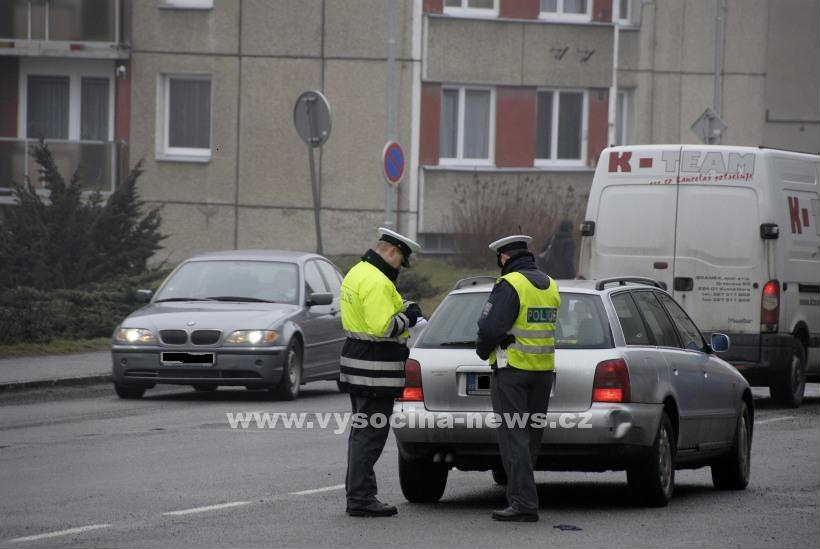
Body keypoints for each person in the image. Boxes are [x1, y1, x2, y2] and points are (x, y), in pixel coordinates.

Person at [476, 235, 561, 522]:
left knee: (514, 437)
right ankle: (522, 495)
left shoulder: (510, 284)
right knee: (530, 438)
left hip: (512, 371)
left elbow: (489, 327)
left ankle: (523, 502)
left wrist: (482, 350)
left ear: (504, 258)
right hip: (543, 371)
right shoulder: (550, 284)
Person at [339, 227, 423, 517]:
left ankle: (358, 494)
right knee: (370, 436)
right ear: (392, 252)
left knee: (361, 433)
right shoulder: (377, 281)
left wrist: (405, 307)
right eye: (401, 260)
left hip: (358, 364)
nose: (400, 267)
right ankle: (361, 498)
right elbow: (383, 326)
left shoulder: (358, 272)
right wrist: (409, 318)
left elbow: (383, 308)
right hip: (375, 369)